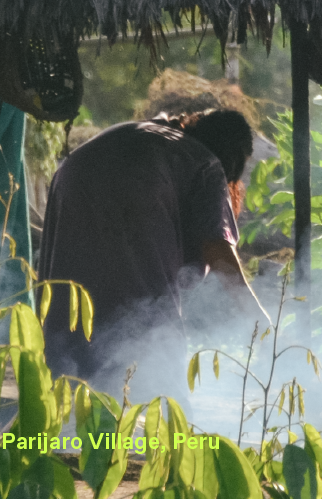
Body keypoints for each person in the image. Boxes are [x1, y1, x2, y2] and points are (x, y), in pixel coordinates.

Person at [37, 109, 264, 401]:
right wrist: (266, 329)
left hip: (71, 179)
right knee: (150, 348)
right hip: (136, 193)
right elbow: (219, 253)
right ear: (232, 159)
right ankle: (163, 428)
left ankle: (56, 419)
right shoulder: (205, 162)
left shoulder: (146, 133)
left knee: (71, 322)